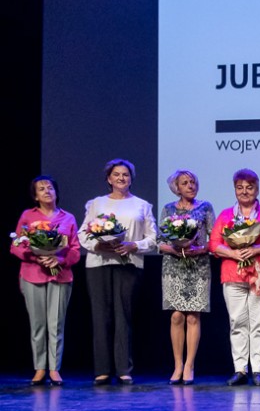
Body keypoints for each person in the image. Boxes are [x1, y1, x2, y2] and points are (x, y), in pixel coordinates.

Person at [78, 158, 157, 386]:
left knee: (124, 316)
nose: (121, 178)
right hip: (99, 263)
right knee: (100, 316)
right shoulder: (97, 203)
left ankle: (124, 369)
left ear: (131, 179)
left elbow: (153, 238)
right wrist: (98, 245)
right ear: (108, 179)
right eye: (117, 174)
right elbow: (83, 233)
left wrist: (135, 245)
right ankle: (102, 370)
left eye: (125, 174)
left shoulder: (142, 205)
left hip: (129, 264)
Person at [210, 168, 260, 387]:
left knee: (259, 324)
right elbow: (214, 244)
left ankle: (258, 370)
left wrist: (255, 249)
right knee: (237, 323)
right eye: (240, 187)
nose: (244, 191)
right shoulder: (226, 215)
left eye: (249, 187)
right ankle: (240, 369)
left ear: (257, 189)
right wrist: (233, 253)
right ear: (234, 190)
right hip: (233, 274)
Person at [10, 175, 81, 386]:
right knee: (38, 324)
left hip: (60, 275)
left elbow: (75, 249)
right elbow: (16, 245)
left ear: (56, 192)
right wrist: (36, 256)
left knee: (56, 324)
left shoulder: (68, 218)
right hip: (32, 274)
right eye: (41, 189)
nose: (47, 191)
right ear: (35, 196)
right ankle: (39, 368)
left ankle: (54, 369)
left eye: (50, 188)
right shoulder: (28, 216)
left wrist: (59, 259)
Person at [158, 169, 215, 385]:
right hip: (174, 266)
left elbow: (214, 239)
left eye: (193, 182)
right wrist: (175, 249)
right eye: (185, 183)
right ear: (177, 188)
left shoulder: (205, 207)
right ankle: (178, 365)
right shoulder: (168, 209)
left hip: (198, 265)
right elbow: (160, 241)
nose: (190, 186)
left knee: (192, 317)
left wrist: (200, 249)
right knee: (176, 316)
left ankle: (190, 365)